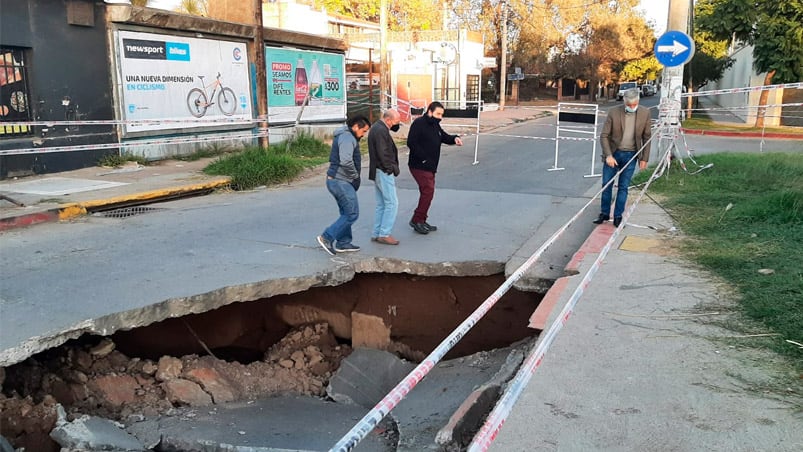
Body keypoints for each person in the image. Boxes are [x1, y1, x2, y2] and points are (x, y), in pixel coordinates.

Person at [595, 87, 652, 227]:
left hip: (631, 155)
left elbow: (647, 137)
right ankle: (604, 213)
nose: (632, 107)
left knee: (623, 187)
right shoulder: (614, 112)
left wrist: (644, 158)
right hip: (614, 153)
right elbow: (604, 136)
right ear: (624, 102)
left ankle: (618, 216)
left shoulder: (645, 113)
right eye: (629, 105)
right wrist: (608, 155)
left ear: (638, 101)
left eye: (634, 105)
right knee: (606, 185)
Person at [317, 115, 371, 256]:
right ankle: (327, 237)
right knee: (352, 213)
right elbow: (346, 161)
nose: (363, 135)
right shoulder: (347, 138)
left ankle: (344, 242)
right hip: (340, 181)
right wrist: (355, 176)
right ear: (355, 127)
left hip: (338, 181)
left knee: (346, 212)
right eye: (363, 131)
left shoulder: (347, 136)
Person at [406, 101, 463, 234]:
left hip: (431, 166)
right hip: (419, 165)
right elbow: (411, 142)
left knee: (427, 193)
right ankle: (416, 220)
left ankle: (422, 219)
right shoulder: (419, 123)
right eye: (437, 114)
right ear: (430, 112)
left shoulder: (435, 125)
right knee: (428, 192)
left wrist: (454, 138)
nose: (440, 117)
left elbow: (444, 137)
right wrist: (424, 158)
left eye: (441, 115)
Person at [368, 109, 403, 245]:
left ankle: (377, 233)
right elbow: (383, 153)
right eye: (396, 122)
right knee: (392, 203)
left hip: (377, 170)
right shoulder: (381, 130)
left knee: (381, 204)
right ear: (388, 120)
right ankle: (384, 233)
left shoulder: (377, 128)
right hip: (383, 171)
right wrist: (390, 169)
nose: (397, 125)